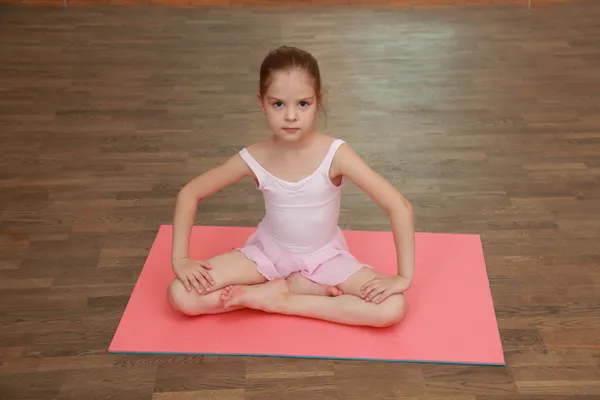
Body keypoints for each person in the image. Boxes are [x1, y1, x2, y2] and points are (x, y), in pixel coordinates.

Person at [167, 45, 414, 328]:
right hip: (266, 254)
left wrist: (403, 277)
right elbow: (190, 192)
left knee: (392, 307)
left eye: (303, 104)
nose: (291, 116)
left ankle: (284, 299)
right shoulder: (254, 157)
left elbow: (399, 206)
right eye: (278, 104)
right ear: (261, 102)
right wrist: (180, 259)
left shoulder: (336, 154)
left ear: (317, 101)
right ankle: (287, 288)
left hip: (325, 259)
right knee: (181, 295)